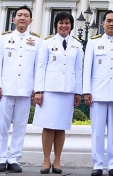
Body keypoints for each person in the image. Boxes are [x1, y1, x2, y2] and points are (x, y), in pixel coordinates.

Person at [33, 12, 84, 174]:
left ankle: (57, 160)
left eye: (67, 23)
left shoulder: (77, 45)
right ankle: (46, 159)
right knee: (48, 127)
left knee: (61, 127)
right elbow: (41, 67)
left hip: (67, 91)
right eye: (61, 23)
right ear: (56, 25)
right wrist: (38, 91)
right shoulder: (47, 43)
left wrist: (78, 92)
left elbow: (78, 70)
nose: (64, 26)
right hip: (49, 91)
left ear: (71, 26)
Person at [0, 5, 41, 173]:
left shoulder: (37, 41)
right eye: (19, 15)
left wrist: (37, 89)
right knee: (2, 125)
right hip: (5, 89)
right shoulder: (3, 38)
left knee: (20, 126)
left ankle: (14, 158)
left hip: (26, 89)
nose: (22, 18)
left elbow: (38, 67)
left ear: (31, 20)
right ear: (13, 19)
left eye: (26, 15)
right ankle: (0, 158)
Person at [83, 10, 113, 176]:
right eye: (108, 20)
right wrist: (87, 91)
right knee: (97, 132)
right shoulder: (94, 42)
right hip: (97, 93)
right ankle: (98, 165)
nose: (111, 24)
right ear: (103, 23)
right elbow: (87, 68)